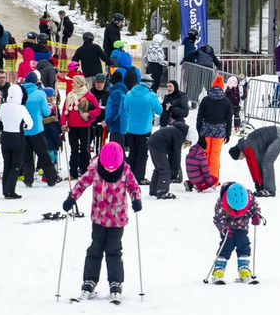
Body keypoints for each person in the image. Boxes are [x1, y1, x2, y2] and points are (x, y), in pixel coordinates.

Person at [63, 142, 142, 304]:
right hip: (98, 217)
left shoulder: (125, 170)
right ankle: (89, 282)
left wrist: (136, 199)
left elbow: (134, 187)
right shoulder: (94, 168)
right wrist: (71, 198)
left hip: (117, 219)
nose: (110, 170)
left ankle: (115, 284)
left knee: (114, 250)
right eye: (107, 167)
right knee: (95, 249)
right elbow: (82, 183)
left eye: (113, 168)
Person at [210, 182, 264, 284]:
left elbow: (254, 208)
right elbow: (217, 219)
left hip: (242, 225)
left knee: (243, 243)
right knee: (226, 245)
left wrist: (256, 215)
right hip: (227, 228)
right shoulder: (221, 203)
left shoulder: (249, 197)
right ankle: (218, 270)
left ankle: (244, 269)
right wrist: (224, 228)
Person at [21, 72, 60, 187]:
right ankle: (51, 179)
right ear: (36, 81)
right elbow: (46, 112)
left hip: (23, 129)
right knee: (43, 154)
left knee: (27, 156)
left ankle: (28, 179)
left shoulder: (20, 93)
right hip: (37, 128)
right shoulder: (40, 94)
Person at [122, 80, 162, 184]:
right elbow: (159, 110)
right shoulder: (151, 95)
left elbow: (125, 108)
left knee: (132, 152)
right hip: (145, 130)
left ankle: (129, 176)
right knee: (143, 154)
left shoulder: (129, 93)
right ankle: (139, 178)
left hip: (130, 129)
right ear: (149, 85)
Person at [228, 125, 280, 197]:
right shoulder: (245, 147)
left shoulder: (248, 148)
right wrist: (257, 183)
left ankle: (270, 190)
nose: (241, 159)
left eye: (239, 157)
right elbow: (251, 167)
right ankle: (266, 188)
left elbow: (256, 165)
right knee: (264, 162)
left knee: (267, 162)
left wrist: (260, 185)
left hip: (278, 136)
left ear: (240, 152)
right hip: (270, 136)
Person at [0, 84, 32, 199]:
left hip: (5, 136)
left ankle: (5, 189)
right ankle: (10, 190)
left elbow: (1, 119)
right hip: (17, 136)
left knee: (7, 163)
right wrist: (24, 127)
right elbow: (30, 124)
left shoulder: (3, 106)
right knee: (16, 165)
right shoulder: (21, 108)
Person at [61, 77, 101, 179]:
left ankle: (85, 171)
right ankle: (73, 173)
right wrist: (63, 123)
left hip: (84, 127)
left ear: (80, 84)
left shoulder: (88, 95)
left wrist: (88, 114)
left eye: (74, 82)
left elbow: (98, 110)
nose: (72, 84)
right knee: (73, 150)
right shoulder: (70, 95)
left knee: (85, 149)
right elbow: (64, 111)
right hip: (72, 127)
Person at [196, 75, 232, 184]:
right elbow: (229, 119)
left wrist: (199, 131)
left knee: (205, 155)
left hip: (206, 130)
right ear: (222, 87)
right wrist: (228, 133)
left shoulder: (206, 100)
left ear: (212, 87)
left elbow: (199, 117)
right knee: (215, 156)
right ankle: (213, 180)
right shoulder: (226, 101)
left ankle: (203, 180)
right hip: (219, 131)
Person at [148, 121, 188, 199]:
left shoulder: (177, 131)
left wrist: (174, 169)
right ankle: (162, 191)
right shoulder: (179, 134)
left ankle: (154, 190)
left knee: (158, 168)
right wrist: (175, 171)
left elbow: (172, 154)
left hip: (153, 142)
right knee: (165, 169)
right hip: (157, 145)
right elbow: (176, 154)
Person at [104, 69, 129, 146]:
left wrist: (107, 121)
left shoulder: (116, 93)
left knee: (115, 149)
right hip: (122, 124)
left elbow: (116, 110)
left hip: (117, 125)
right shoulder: (122, 91)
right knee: (120, 148)